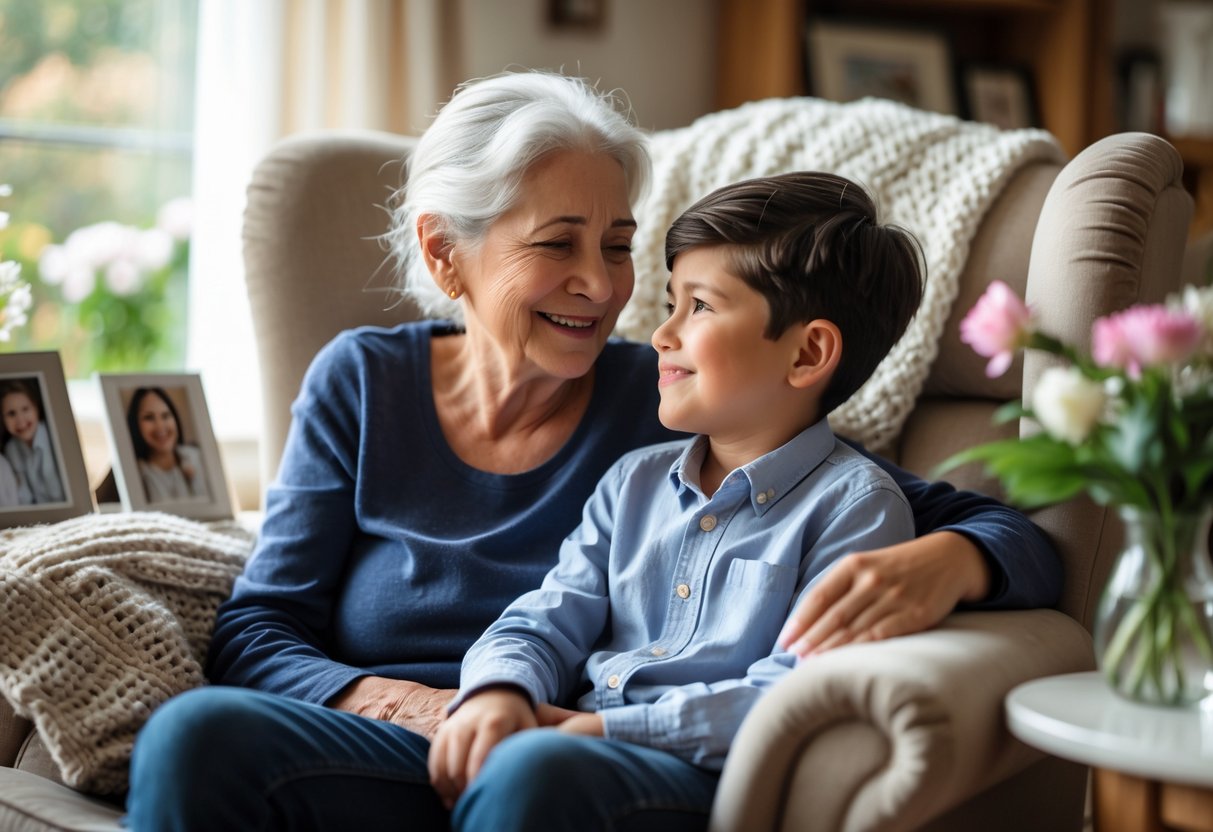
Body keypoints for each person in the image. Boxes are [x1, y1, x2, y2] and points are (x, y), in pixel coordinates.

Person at [126, 71, 1061, 831]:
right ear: (448, 254)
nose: (602, 288)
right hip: (404, 747)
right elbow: (254, 632)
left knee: (536, 780)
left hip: (566, 763)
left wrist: (957, 558)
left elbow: (958, 518)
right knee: (193, 737)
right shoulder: (362, 383)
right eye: (557, 244)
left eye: (616, 246)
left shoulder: (666, 406)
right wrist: (435, 707)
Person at [428, 171, 923, 827]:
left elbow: (797, 692)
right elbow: (545, 617)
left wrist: (604, 735)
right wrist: (498, 690)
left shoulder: (856, 509)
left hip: (690, 780)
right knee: (243, 726)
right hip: (561, 747)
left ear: (807, 353)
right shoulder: (630, 484)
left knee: (532, 770)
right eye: (669, 304)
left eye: (700, 307)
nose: (661, 335)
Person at [126, 386, 210, 503]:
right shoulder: (136, 473)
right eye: (149, 417)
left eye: (165, 416)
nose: (160, 426)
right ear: (135, 424)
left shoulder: (197, 457)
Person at [1, 379, 64, 505]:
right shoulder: (11, 449)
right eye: (11, 414)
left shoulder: (55, 437)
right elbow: (24, 495)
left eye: (25, 409)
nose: (20, 419)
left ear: (36, 408)